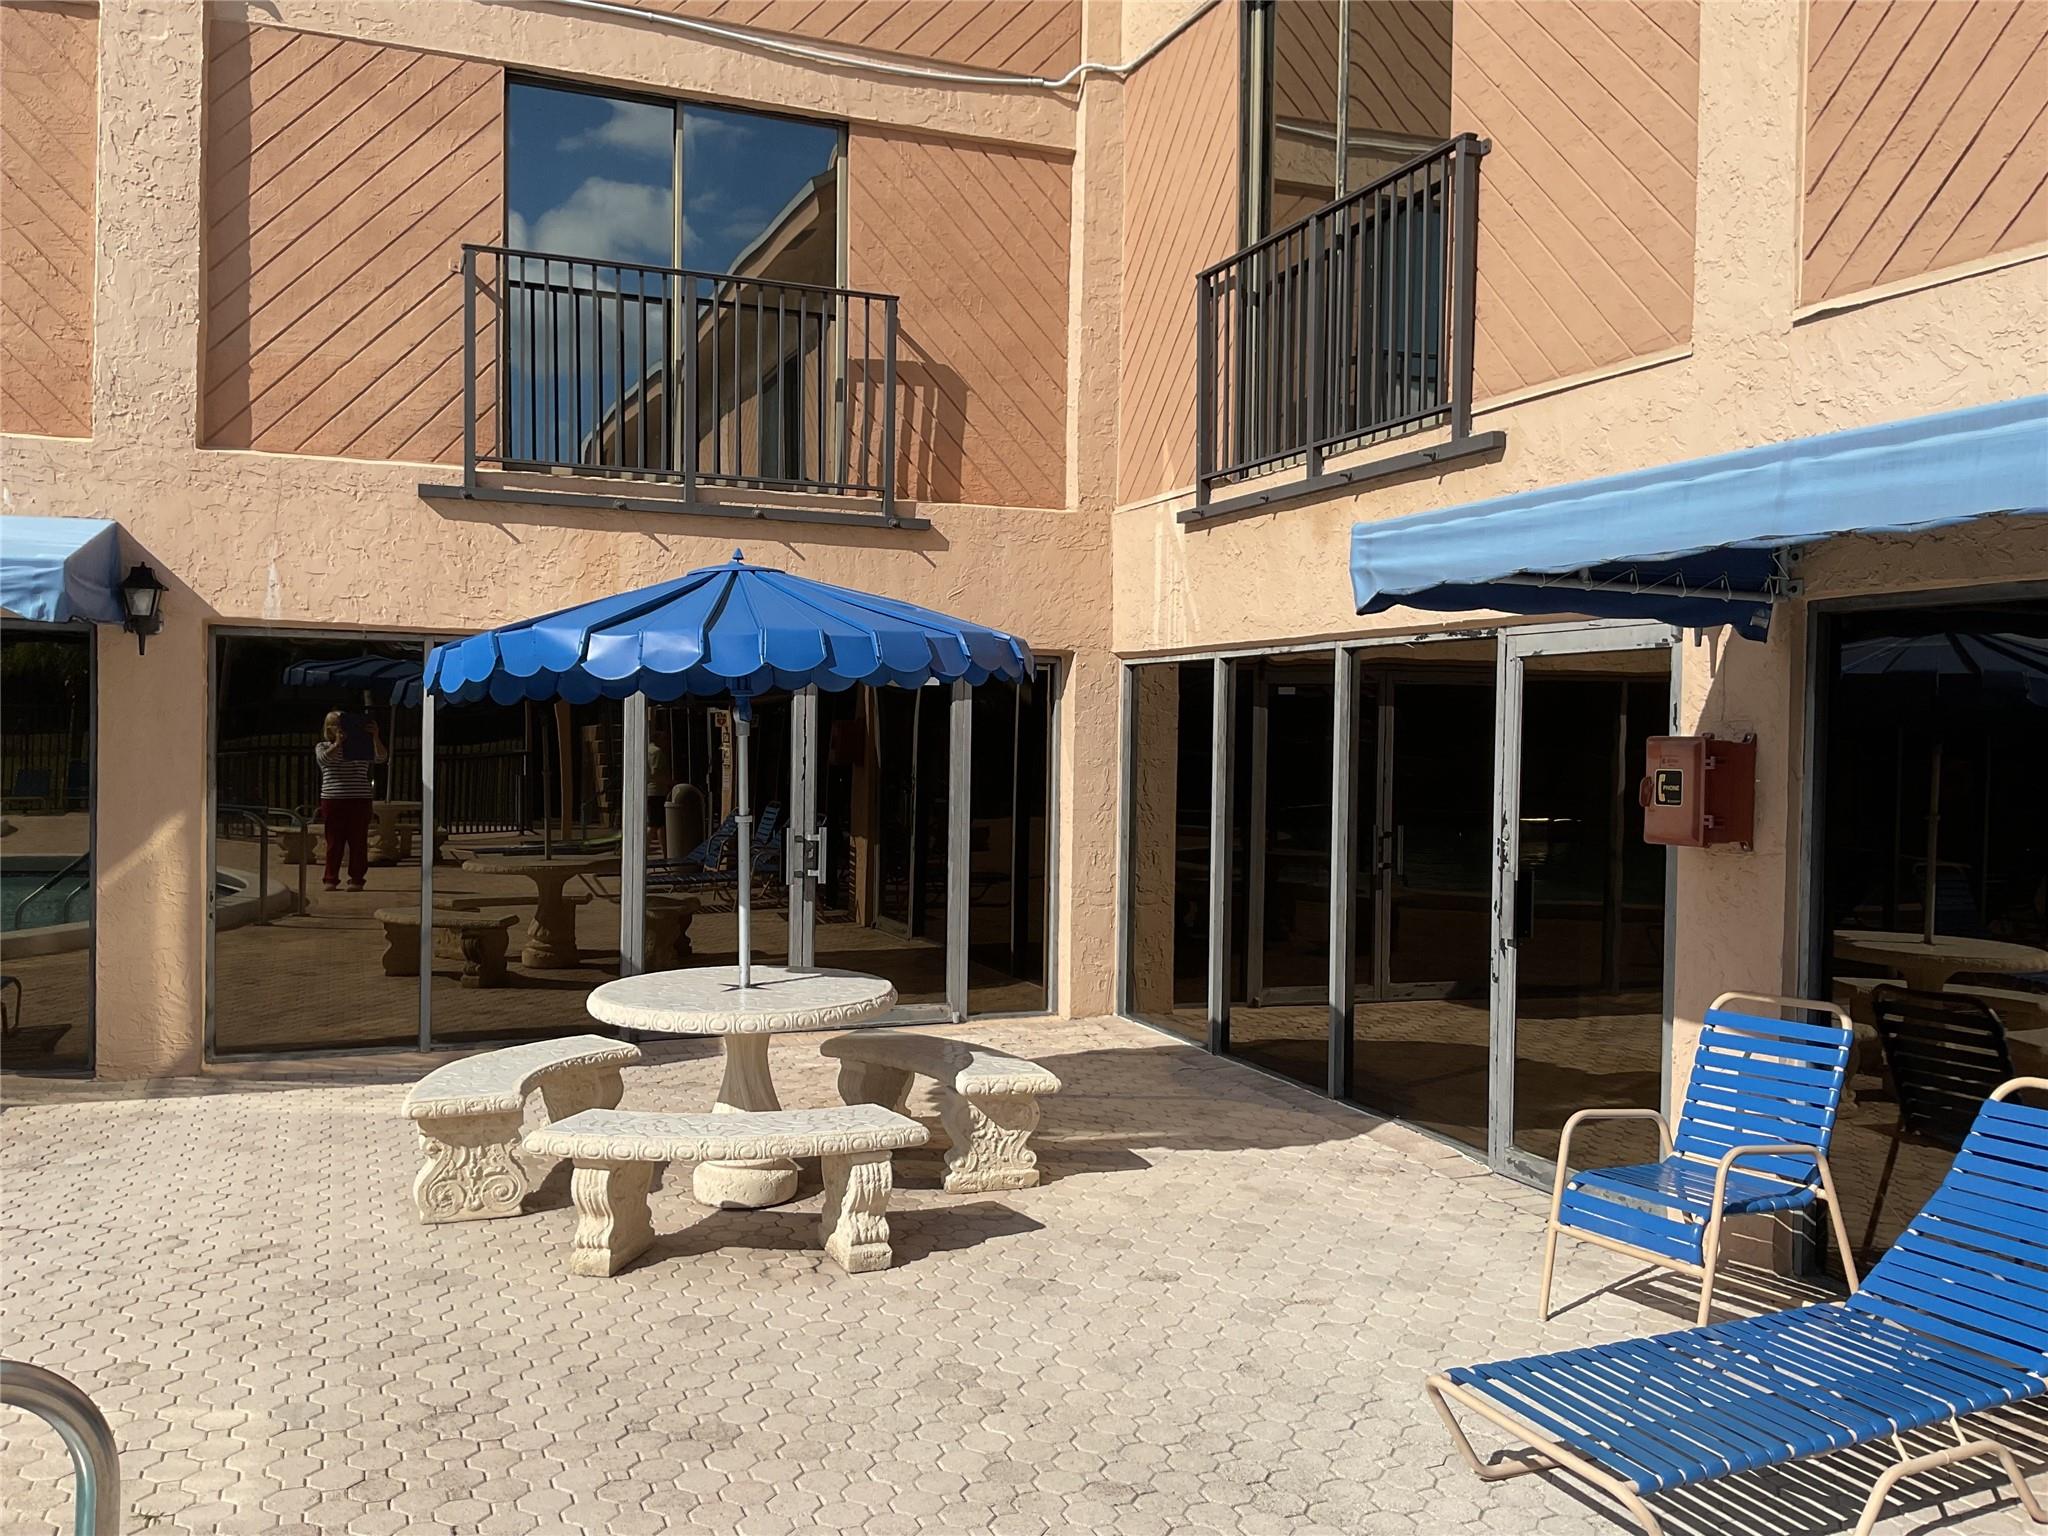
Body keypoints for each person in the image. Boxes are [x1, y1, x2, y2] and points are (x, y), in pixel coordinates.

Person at [315, 710, 386, 890]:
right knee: (334, 841)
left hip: (359, 798)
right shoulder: (323, 746)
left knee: (358, 841)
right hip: (334, 798)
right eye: (337, 725)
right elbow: (324, 760)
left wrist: (375, 736)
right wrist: (338, 744)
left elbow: (381, 757)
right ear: (329, 728)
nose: (342, 729)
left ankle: (357, 879)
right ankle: (330, 878)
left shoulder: (363, 746)